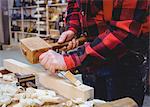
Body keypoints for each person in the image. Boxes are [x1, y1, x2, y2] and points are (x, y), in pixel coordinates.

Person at [39, 0, 149, 106]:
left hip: (126, 56)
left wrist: (69, 60)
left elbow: (122, 34)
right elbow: (75, 4)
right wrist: (73, 28)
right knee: (91, 100)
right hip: (92, 53)